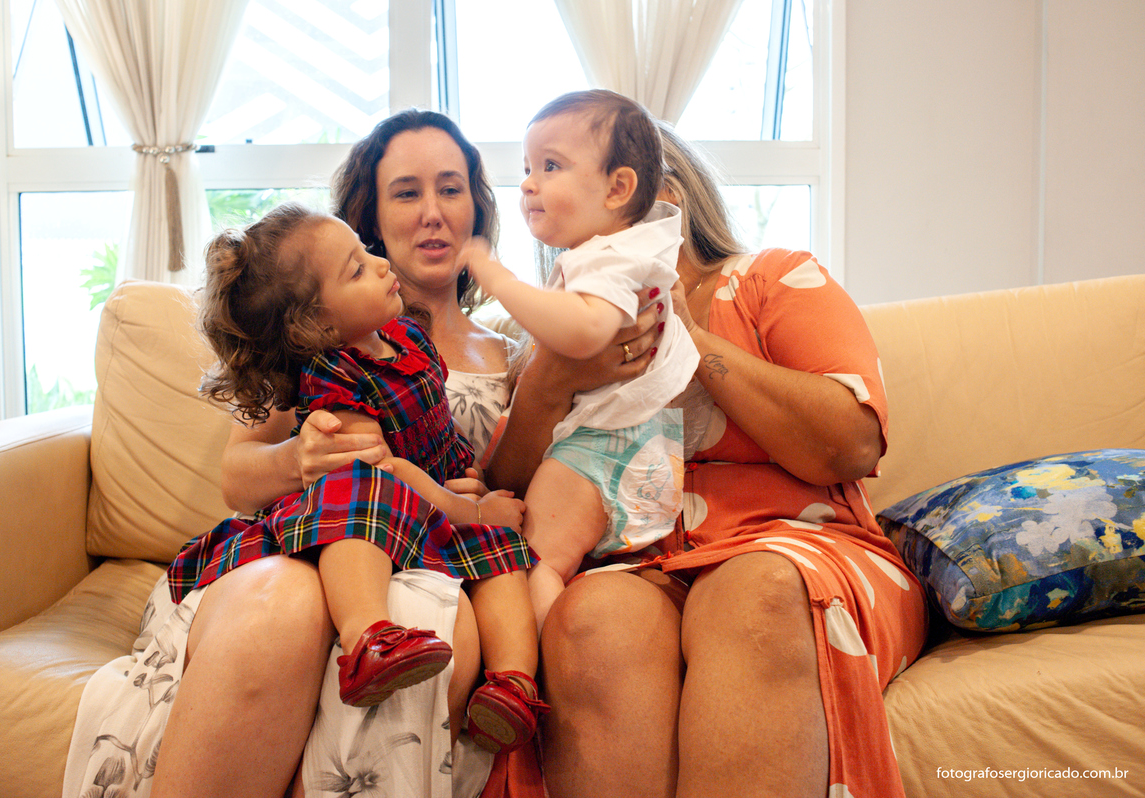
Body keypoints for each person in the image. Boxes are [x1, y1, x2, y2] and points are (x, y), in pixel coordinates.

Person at [62, 108, 664, 798]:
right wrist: (300, 459)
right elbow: (237, 478)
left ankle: (489, 684)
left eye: (451, 188)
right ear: (370, 217)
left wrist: (546, 390)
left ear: (476, 206)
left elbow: (505, 498)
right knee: (287, 605)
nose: (433, 211)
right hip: (319, 546)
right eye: (407, 192)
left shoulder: (519, 349)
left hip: (437, 549)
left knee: (438, 616)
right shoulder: (321, 336)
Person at [521, 124, 930, 798]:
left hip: (797, 548)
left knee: (754, 592)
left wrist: (692, 341)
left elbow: (850, 445)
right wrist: (547, 379)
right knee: (592, 618)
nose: (536, 193)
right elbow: (516, 493)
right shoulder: (560, 333)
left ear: (661, 200)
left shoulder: (773, 279)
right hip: (637, 564)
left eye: (562, 176)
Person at [165, 202, 547, 751]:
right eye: (358, 268)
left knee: (500, 557)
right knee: (358, 502)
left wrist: (471, 482)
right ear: (317, 323)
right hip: (384, 505)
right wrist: (472, 509)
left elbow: (434, 426)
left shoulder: (406, 336)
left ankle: (512, 685)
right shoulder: (331, 375)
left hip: (432, 500)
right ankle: (369, 637)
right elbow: (385, 471)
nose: (381, 263)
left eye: (366, 253)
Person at [460, 90, 699, 627]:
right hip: (625, 450)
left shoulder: (608, 258)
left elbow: (585, 331)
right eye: (527, 168)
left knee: (533, 569)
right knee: (551, 570)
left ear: (617, 188)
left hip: (596, 454)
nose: (528, 183)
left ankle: (531, 663)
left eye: (550, 166)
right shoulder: (617, 253)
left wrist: (498, 278)